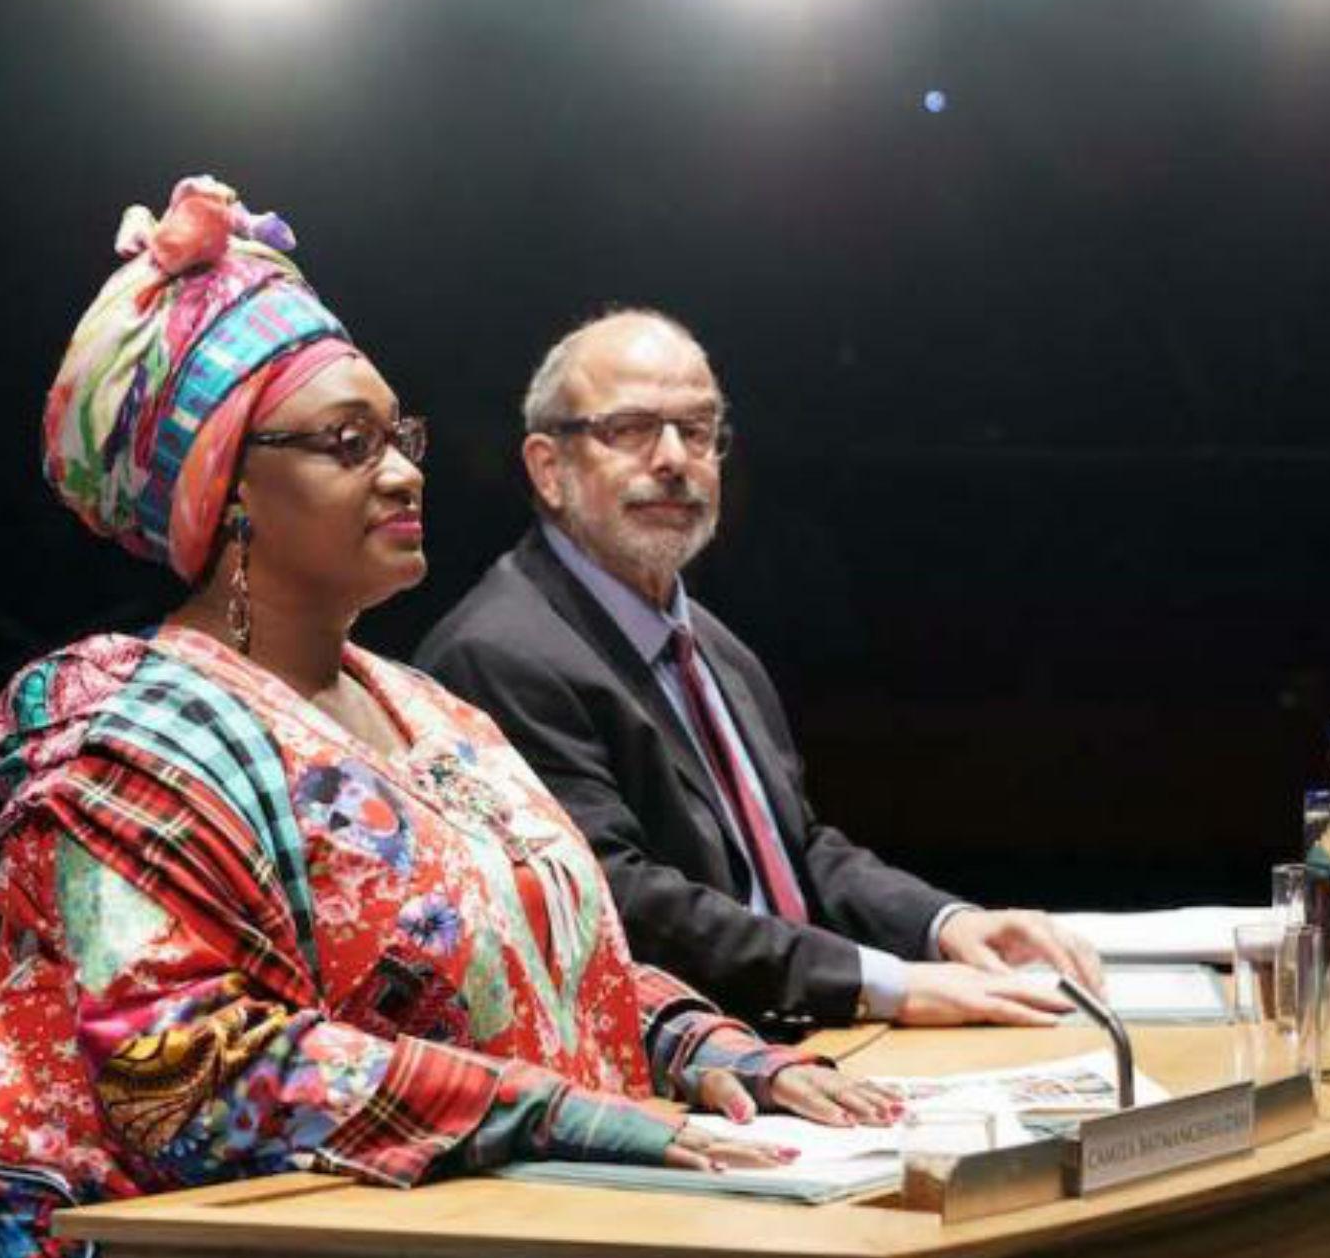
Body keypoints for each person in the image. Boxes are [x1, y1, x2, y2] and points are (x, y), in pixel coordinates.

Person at [0, 184, 894, 1258]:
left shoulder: (418, 704)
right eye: (346, 444)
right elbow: (180, 1075)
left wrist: (721, 1056)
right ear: (225, 491)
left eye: (396, 432)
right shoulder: (125, 738)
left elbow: (554, 956)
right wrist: (569, 1118)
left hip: (360, 1214)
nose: (407, 468)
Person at [416, 309, 1102, 1033]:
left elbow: (797, 852)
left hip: (805, 1038)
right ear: (548, 469)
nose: (674, 458)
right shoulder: (499, 654)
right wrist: (888, 984)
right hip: (689, 1079)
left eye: (698, 428)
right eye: (632, 429)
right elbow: (618, 903)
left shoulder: (710, 642)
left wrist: (945, 923)